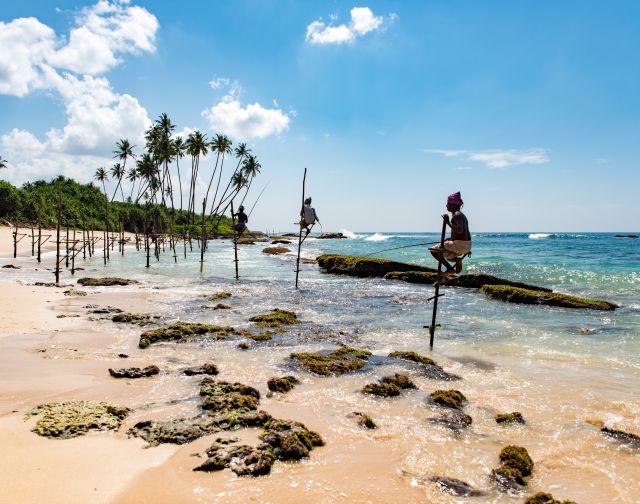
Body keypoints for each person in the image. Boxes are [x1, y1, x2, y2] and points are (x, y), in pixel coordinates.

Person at [429, 191, 471, 274]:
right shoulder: (461, 215)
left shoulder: (457, 215)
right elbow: (461, 233)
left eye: (448, 203)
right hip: (466, 246)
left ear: (453, 205)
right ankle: (457, 260)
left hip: (460, 245)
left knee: (434, 250)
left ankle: (449, 269)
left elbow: (459, 230)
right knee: (446, 253)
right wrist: (450, 239)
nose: (446, 205)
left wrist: (447, 222)